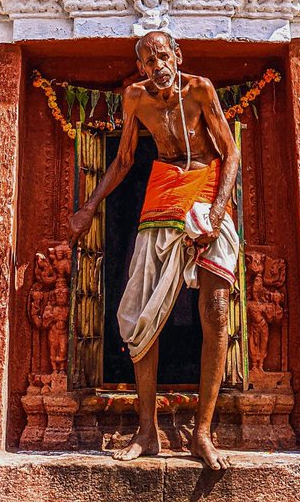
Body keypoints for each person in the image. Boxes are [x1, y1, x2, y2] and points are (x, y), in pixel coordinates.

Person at [69, 31, 239, 469]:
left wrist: (218, 211)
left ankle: (202, 433)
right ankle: (148, 431)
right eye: (147, 61)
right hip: (162, 194)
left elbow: (231, 153)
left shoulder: (200, 90)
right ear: (141, 67)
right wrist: (89, 207)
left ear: (177, 55)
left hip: (206, 191)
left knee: (216, 308)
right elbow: (125, 159)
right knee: (145, 309)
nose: (156, 65)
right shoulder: (135, 98)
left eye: (162, 56)